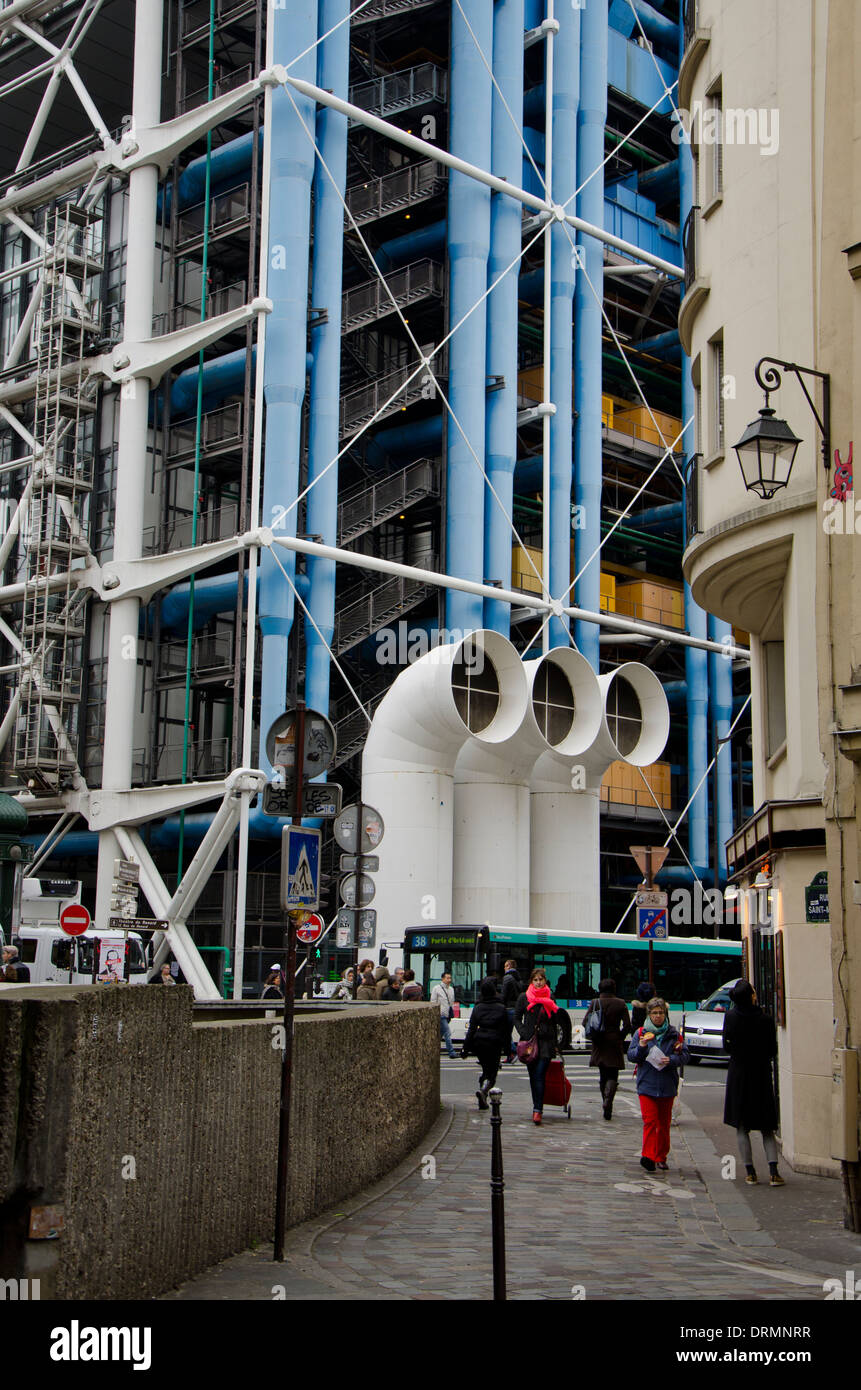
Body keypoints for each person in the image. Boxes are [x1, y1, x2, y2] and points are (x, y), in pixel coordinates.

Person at [722, 980, 785, 1186]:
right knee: (767, 1126)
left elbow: (726, 1045)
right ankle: (774, 1171)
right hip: (760, 1075)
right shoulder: (765, 1019)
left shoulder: (730, 1017)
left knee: (742, 1126)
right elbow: (772, 1049)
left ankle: (750, 1172)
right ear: (751, 996)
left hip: (739, 1074)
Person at [627, 997, 688, 1171]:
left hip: (667, 1085)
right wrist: (641, 1047)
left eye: (661, 1013)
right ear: (649, 1015)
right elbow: (632, 1056)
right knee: (650, 1121)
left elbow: (685, 1055)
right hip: (647, 1084)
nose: (658, 1016)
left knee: (663, 1124)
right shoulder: (641, 1033)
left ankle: (661, 1156)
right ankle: (648, 1156)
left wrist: (673, 1059)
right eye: (654, 1013)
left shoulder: (674, 1034)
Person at [514, 968, 572, 1124]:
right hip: (530, 1044)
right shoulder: (524, 997)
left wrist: (557, 1044)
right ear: (531, 981)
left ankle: (537, 1110)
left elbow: (555, 1022)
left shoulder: (550, 997)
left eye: (541, 979)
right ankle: (536, 1105)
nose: (538, 983)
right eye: (535, 980)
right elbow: (517, 1017)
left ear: (545, 981)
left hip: (546, 1043)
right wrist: (524, 1032)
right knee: (533, 1077)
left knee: (539, 1075)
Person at [584, 978, 632, 1120]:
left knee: (602, 1074)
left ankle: (605, 1101)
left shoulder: (595, 1002)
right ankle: (608, 1101)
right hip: (614, 1041)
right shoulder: (620, 1003)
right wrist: (620, 1037)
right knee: (613, 1074)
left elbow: (585, 1021)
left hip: (599, 1042)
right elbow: (628, 1025)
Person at [462, 978, 511, 1109]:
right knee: (492, 1073)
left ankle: (482, 1096)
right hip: (495, 1043)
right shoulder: (501, 1008)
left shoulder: (478, 1008)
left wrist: (465, 1049)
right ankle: (484, 1091)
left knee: (485, 1069)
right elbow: (506, 1031)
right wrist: (508, 1050)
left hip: (480, 1042)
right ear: (494, 991)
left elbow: (471, 1030)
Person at [430, 972, 457, 1058]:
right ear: (442, 979)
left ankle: (432, 1050)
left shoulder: (451, 989)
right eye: (447, 978)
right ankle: (451, 1052)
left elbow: (451, 1002)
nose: (449, 980)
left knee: (440, 1034)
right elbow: (433, 1001)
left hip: (447, 1014)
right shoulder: (436, 988)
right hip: (440, 1014)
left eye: (450, 978)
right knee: (447, 1032)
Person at [500, 959, 523, 1062]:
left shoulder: (507, 978)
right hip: (516, 1008)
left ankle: (514, 1051)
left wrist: (500, 1005)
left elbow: (504, 995)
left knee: (505, 1033)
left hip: (508, 1008)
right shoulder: (519, 978)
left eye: (505, 966)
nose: (504, 968)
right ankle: (510, 1056)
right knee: (507, 1033)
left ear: (509, 966)